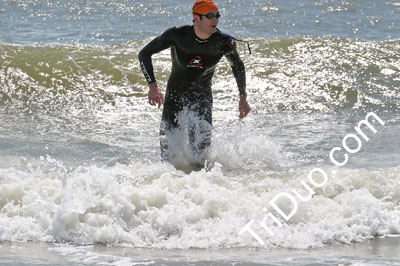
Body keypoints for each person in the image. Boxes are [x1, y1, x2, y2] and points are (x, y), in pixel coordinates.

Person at [138, 0, 251, 167]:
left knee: (200, 159)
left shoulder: (224, 42)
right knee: (168, 160)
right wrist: (153, 87)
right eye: (210, 16)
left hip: (201, 97)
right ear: (196, 18)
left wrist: (243, 98)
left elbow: (238, 66)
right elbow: (144, 54)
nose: (216, 19)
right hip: (175, 96)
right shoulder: (177, 35)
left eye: (217, 15)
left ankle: (201, 188)